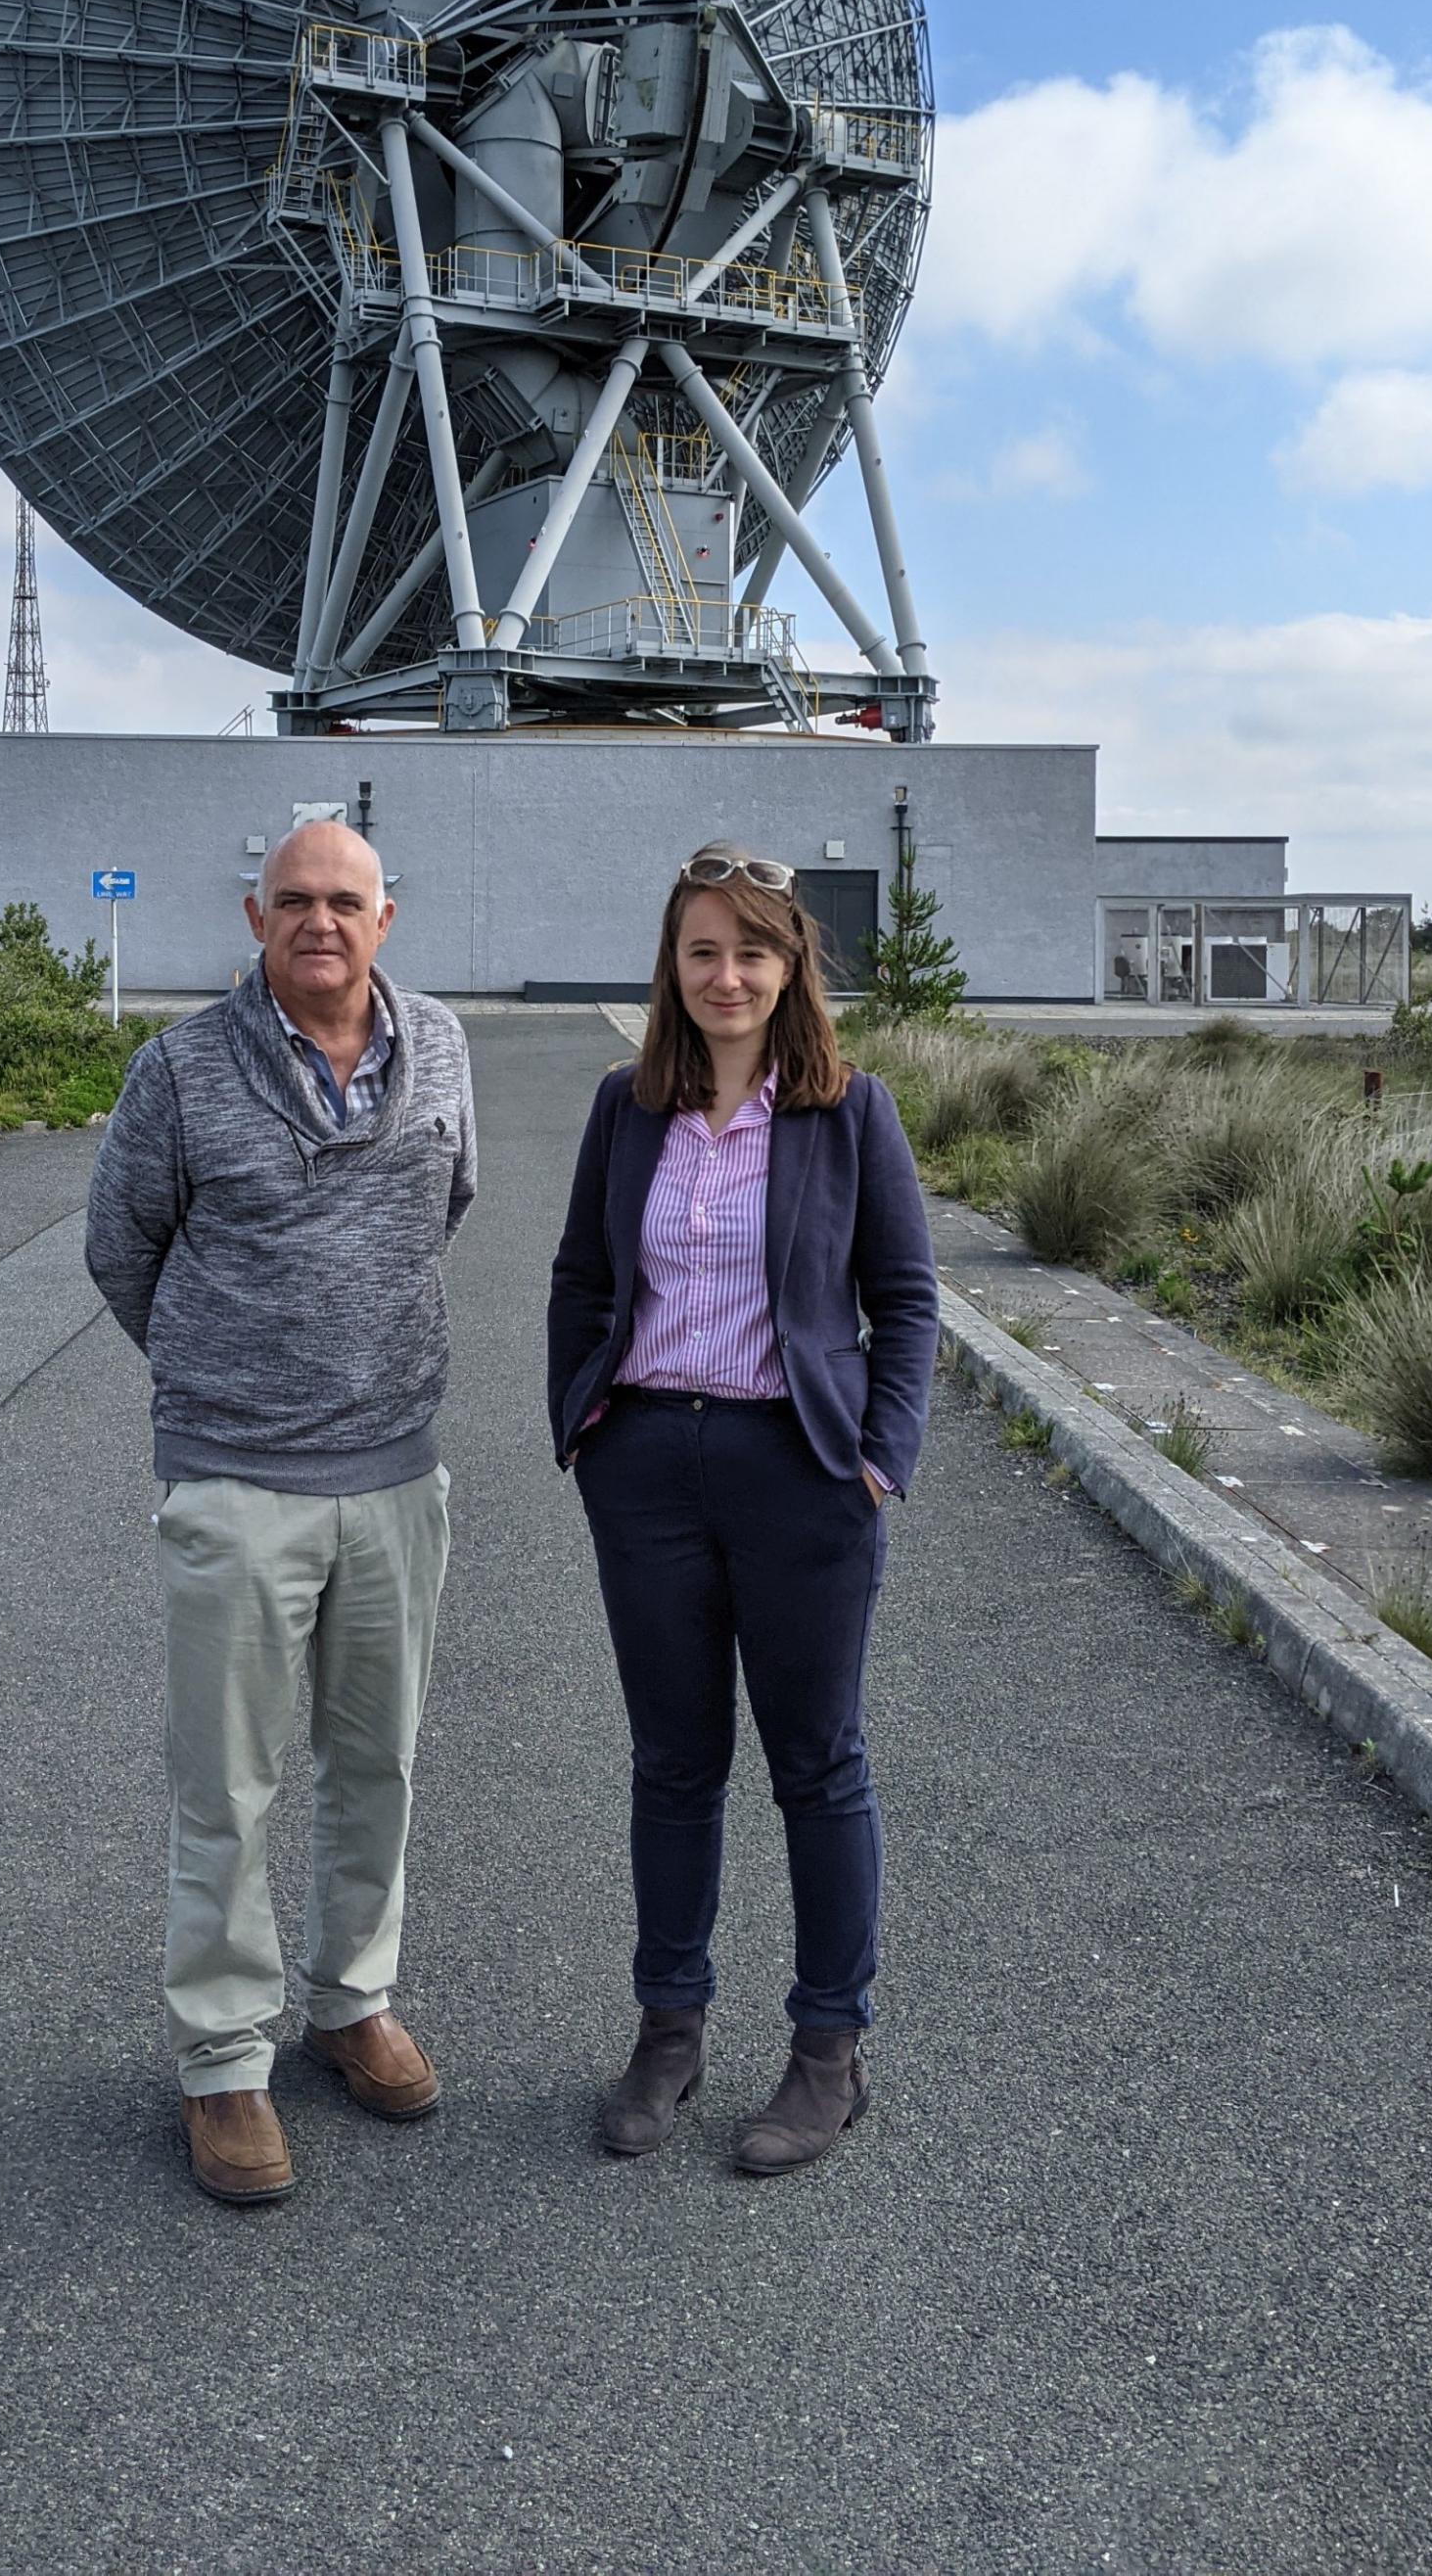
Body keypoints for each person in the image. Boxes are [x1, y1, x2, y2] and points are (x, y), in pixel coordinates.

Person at [86, 819, 476, 2206]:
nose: (322, 921)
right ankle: (223, 2063)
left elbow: (447, 1207)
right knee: (229, 1791)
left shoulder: (440, 1047)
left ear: (388, 916)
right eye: (295, 901)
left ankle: (350, 2002)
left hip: (393, 1476)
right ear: (256, 919)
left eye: (346, 902)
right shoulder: (182, 1068)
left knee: (376, 1768)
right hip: (238, 1483)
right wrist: (228, 1379)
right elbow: (120, 1245)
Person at [548, 845, 939, 2174]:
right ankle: (670, 2032)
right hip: (649, 1464)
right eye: (704, 950)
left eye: (752, 953)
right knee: (673, 1766)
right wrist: (585, 1431)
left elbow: (909, 1296)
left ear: (789, 970)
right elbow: (581, 1276)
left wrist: (880, 1456)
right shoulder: (626, 1108)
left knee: (817, 1769)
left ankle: (828, 2054)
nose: (726, 975)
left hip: (799, 1472)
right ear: (675, 962)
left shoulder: (847, 1111)